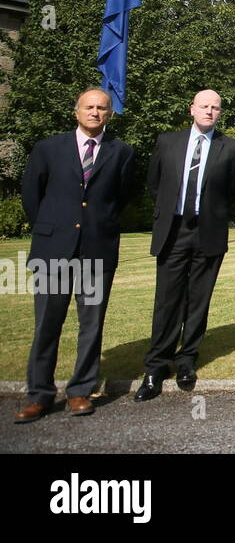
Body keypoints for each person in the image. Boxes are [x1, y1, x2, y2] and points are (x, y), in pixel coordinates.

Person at [15, 89, 135, 423]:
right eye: (90, 107)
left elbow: (120, 197)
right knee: (46, 325)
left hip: (96, 252)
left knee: (91, 325)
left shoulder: (122, 152)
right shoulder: (48, 148)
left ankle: (80, 390)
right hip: (53, 250)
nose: (96, 112)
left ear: (110, 114)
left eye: (102, 108)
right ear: (76, 111)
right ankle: (38, 394)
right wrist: (54, 229)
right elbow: (32, 194)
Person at [135, 90, 235, 401]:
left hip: (208, 230)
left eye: (215, 108)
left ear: (220, 113)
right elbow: (155, 184)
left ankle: (187, 360)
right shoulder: (167, 142)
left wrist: (212, 213)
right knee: (167, 299)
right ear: (191, 109)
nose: (209, 112)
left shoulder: (231, 147)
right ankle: (156, 366)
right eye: (204, 106)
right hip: (173, 229)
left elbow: (233, 191)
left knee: (199, 299)